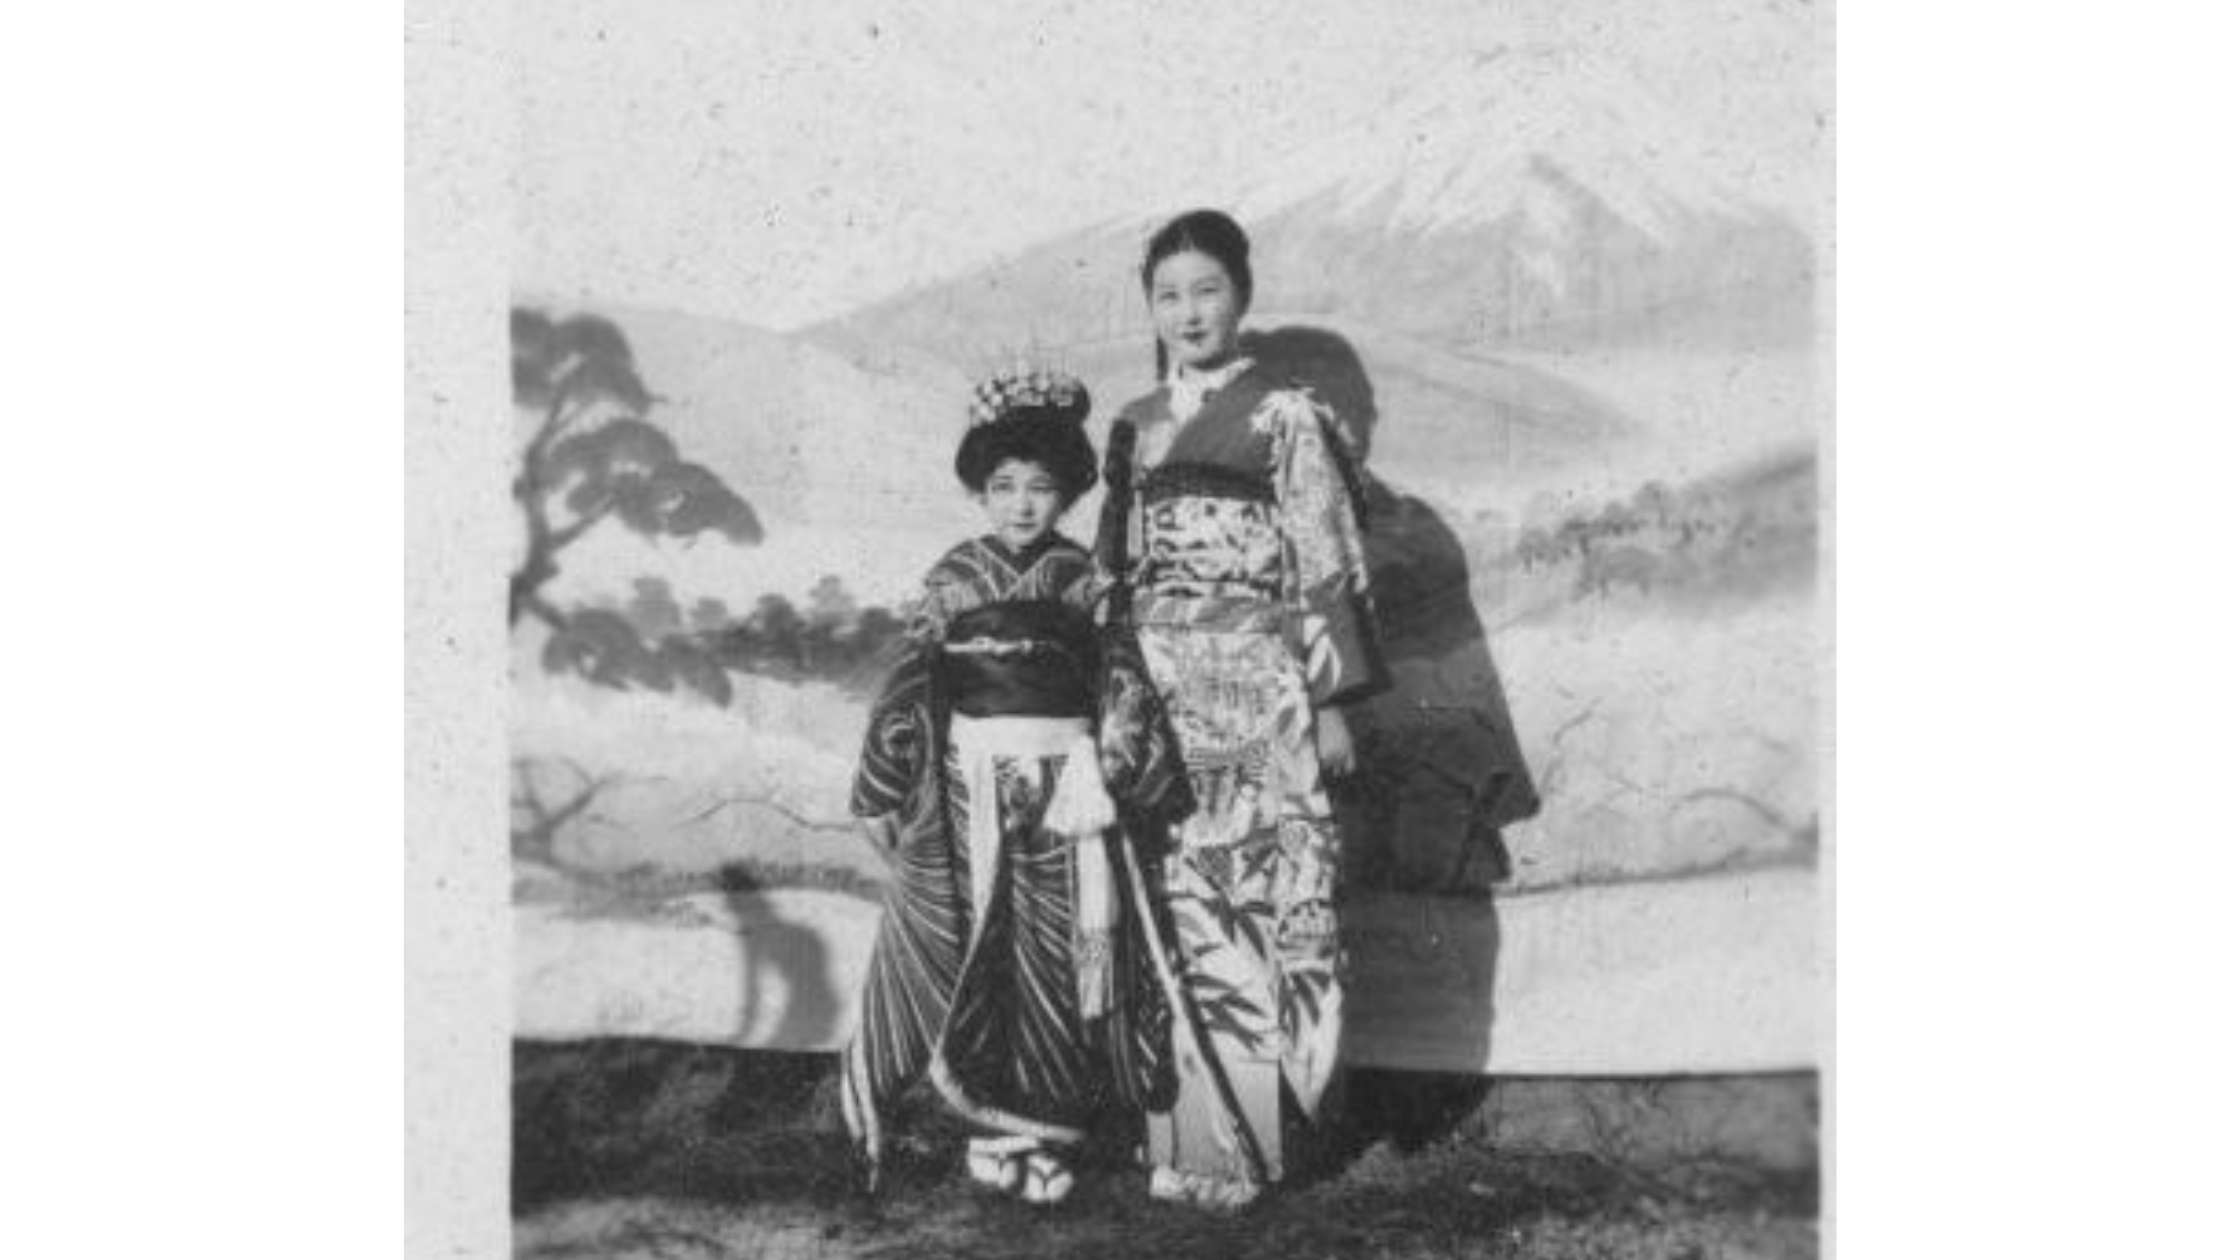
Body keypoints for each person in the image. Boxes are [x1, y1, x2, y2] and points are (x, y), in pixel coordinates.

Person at [839, 366, 1193, 1206]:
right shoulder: (955, 577)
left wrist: (1121, 760)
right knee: (974, 946)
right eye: (1003, 487)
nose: (1022, 505)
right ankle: (985, 1128)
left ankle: (1048, 1128)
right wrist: (881, 788)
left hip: (1065, 791)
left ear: (1069, 491)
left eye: (1040, 488)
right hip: (971, 788)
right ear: (979, 491)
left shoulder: (1084, 580)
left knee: (1058, 949)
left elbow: (1122, 678)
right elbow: (908, 684)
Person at [1095, 209, 1388, 1208]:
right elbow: (1115, 571)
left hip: (1260, 682)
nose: (1187, 312)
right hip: (1163, 690)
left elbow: (1322, 559)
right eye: (1167, 294)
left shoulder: (1284, 416)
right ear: (1149, 308)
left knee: (1257, 893)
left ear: (1242, 297)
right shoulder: (1132, 423)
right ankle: (1184, 1137)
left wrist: (1333, 699)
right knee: (1174, 895)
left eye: (1206, 290)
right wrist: (1114, 694)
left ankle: (1265, 1144)